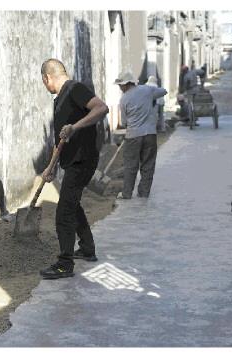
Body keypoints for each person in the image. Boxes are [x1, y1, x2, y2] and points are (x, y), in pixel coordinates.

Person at [39, 59, 109, 280]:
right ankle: (87, 248)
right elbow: (60, 140)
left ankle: (64, 264)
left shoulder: (75, 89)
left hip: (83, 160)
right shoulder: (59, 100)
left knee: (64, 212)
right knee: (72, 203)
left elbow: (101, 108)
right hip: (72, 161)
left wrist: (75, 127)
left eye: (43, 81)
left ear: (47, 78)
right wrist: (50, 167)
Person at [114, 71, 167, 199]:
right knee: (148, 164)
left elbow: (124, 122)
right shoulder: (147, 90)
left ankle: (127, 193)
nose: (120, 88)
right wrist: (150, 96)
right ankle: (144, 193)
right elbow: (164, 91)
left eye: (120, 85)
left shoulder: (124, 99)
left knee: (130, 165)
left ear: (126, 84)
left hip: (133, 136)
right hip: (150, 134)